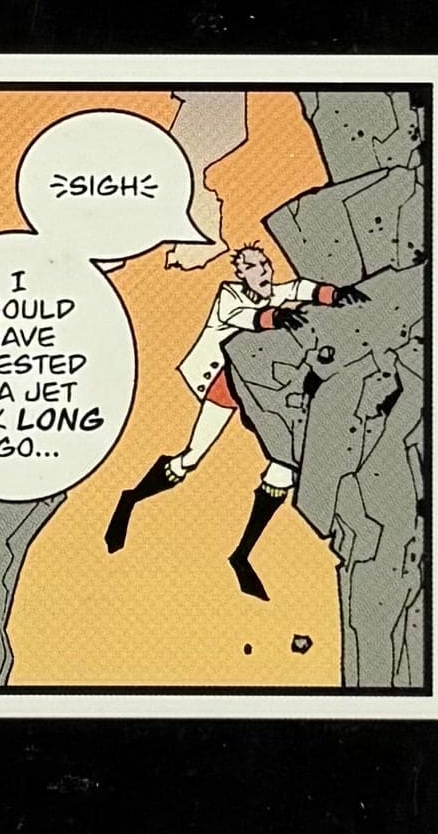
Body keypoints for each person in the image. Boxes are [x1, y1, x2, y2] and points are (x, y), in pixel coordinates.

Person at [105, 242, 362, 594]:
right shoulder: (229, 295)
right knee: (191, 458)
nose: (263, 271)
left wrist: (335, 295)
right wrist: (274, 318)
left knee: (282, 466)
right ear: (241, 274)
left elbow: (301, 288)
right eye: (253, 267)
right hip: (225, 383)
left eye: (265, 265)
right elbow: (244, 317)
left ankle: (242, 555)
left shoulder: (277, 292)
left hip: (267, 389)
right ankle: (130, 500)